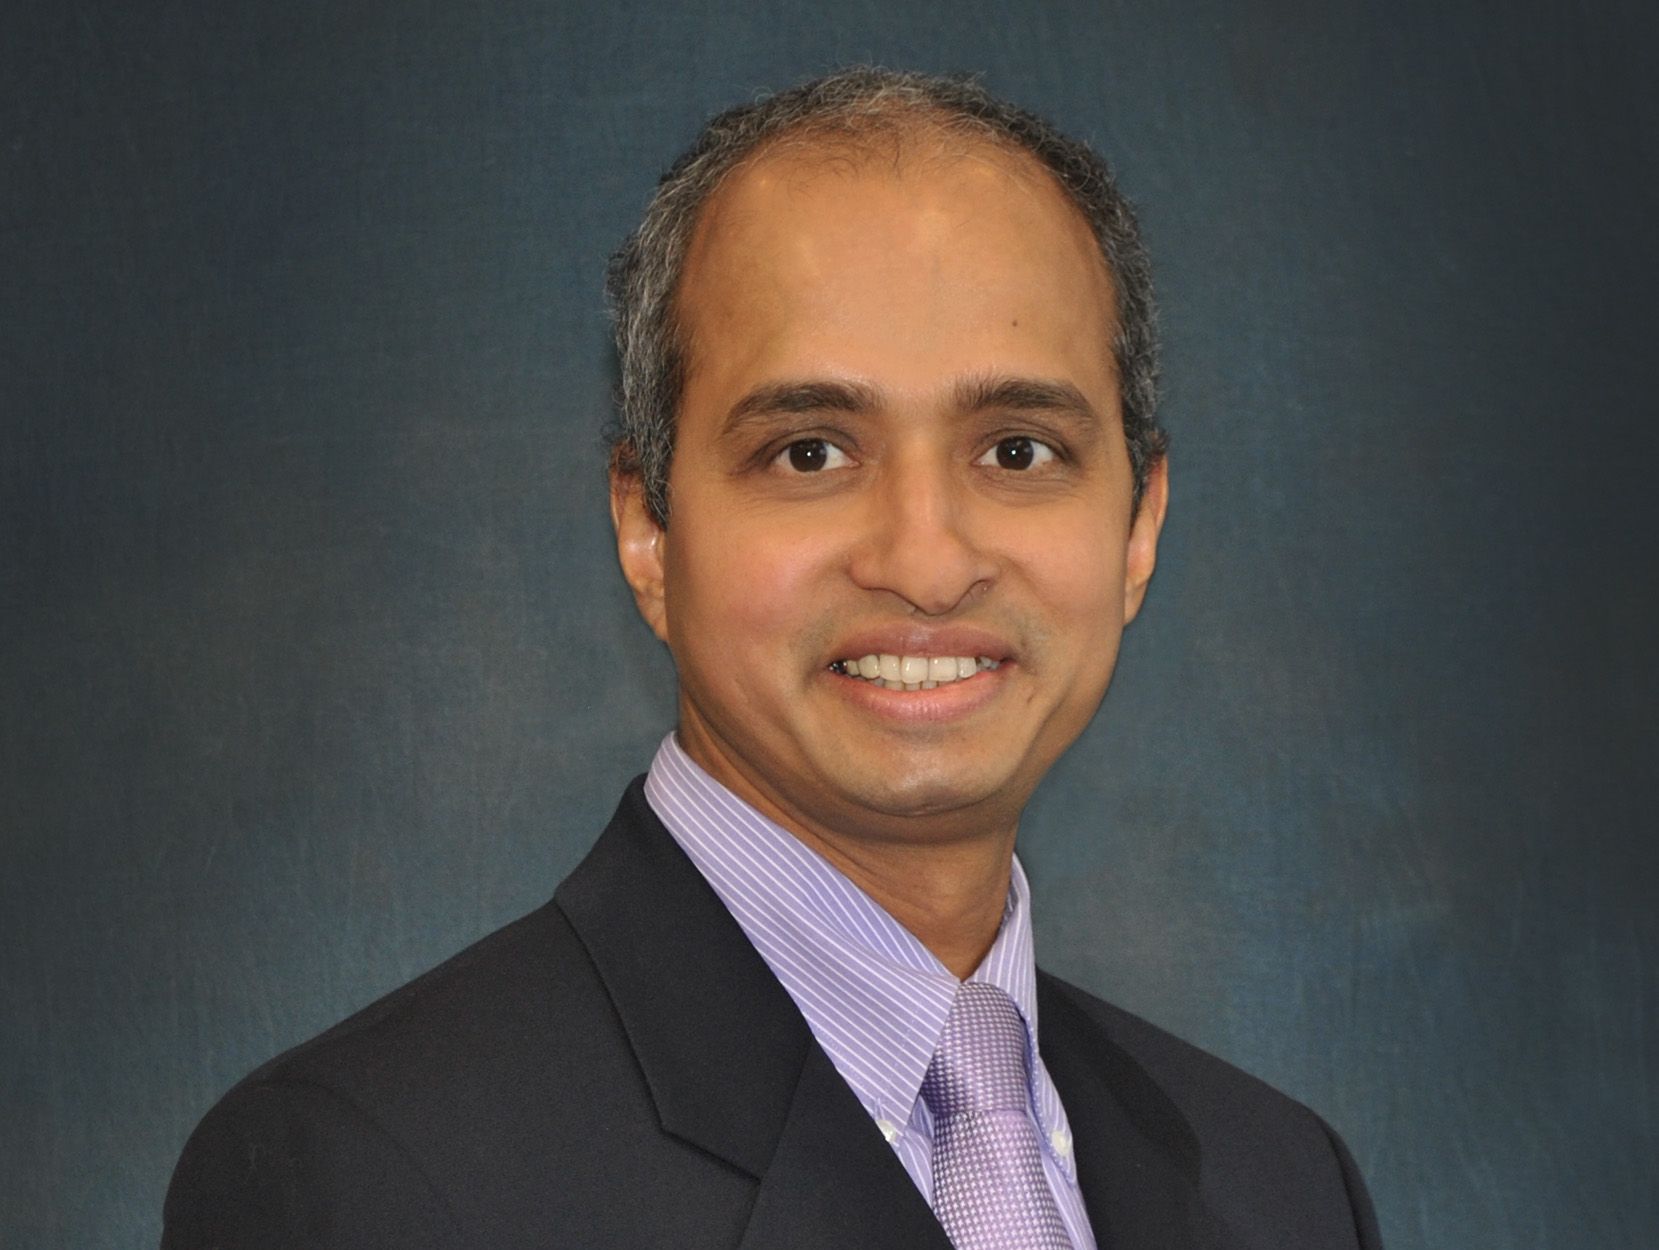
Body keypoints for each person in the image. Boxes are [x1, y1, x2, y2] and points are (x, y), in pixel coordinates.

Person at [162, 68, 1382, 1249]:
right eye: (811, 451)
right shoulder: (367, 1181)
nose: (925, 558)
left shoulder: (1283, 1184)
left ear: (1139, 524)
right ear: (648, 526)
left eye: (1016, 449)